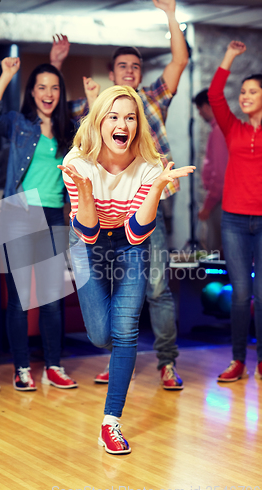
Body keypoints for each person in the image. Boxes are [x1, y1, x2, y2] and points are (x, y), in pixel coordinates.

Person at [51, 0, 189, 390]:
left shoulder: (152, 99)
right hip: (101, 213)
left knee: (157, 286)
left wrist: (171, 16)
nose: (131, 71)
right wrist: (57, 67)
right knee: (108, 296)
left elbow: (178, 62)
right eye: (123, 67)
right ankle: (121, 354)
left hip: (150, 204)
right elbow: (57, 112)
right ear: (112, 74)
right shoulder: (101, 107)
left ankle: (165, 362)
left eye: (136, 66)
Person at [59, 85, 195, 454]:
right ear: (100, 122)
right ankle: (110, 354)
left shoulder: (149, 166)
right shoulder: (77, 162)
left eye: (131, 117)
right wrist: (86, 194)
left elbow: (137, 233)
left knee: (126, 329)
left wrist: (156, 187)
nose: (123, 124)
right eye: (114, 116)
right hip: (87, 242)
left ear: (138, 124)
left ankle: (111, 423)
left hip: (129, 242)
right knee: (102, 335)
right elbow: (86, 232)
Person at [0, 58, 77, 391]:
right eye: (41, 88)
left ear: (60, 93)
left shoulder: (70, 130)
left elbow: (97, 137)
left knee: (52, 298)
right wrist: (6, 74)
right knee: (21, 298)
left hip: (53, 215)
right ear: (32, 93)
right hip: (19, 214)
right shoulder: (20, 124)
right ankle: (21, 367)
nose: (48, 94)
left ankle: (54, 365)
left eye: (54, 87)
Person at [208, 41, 262, 383]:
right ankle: (238, 360)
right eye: (243, 91)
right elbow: (215, 95)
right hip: (234, 221)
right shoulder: (234, 128)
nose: (244, 96)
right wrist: (228, 57)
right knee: (241, 294)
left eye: (252, 92)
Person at [193, 89, 228, 254]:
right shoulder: (220, 129)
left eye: (200, 110)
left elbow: (221, 175)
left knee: (217, 251)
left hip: (220, 202)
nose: (200, 114)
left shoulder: (219, 131)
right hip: (220, 200)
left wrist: (207, 206)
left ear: (207, 106)